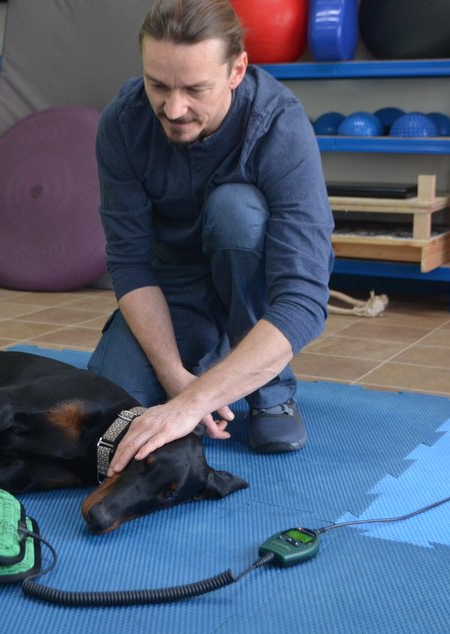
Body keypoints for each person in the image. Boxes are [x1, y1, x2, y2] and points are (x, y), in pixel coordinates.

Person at [88, 0, 334, 476]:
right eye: (157, 84)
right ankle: (218, 362)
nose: (174, 108)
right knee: (107, 418)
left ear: (236, 70)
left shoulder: (279, 124)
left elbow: (302, 298)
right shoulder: (122, 123)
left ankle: (270, 389)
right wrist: (175, 379)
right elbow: (131, 263)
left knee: (236, 212)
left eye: (195, 89)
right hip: (171, 286)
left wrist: (191, 403)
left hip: (250, 280)